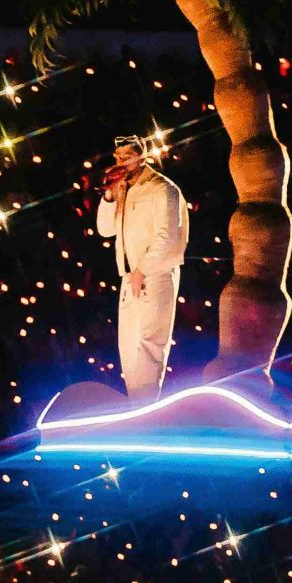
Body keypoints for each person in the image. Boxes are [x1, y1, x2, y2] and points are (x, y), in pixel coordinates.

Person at [96, 131, 188, 400]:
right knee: (128, 349)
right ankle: (135, 407)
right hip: (130, 279)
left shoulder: (162, 189)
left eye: (127, 156)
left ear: (141, 156)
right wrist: (109, 196)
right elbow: (105, 229)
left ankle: (146, 408)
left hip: (154, 276)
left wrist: (142, 270)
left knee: (149, 348)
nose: (121, 162)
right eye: (118, 157)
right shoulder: (124, 190)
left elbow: (167, 236)